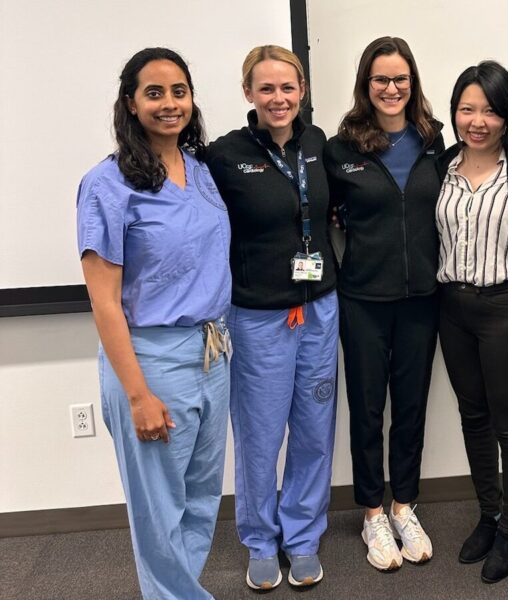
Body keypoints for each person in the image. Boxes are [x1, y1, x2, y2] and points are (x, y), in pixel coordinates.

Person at [77, 48, 231, 600]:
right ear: (130, 103)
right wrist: (137, 394)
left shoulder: (201, 171)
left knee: (199, 500)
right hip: (152, 363)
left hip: (212, 355)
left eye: (179, 91)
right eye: (155, 93)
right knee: (158, 512)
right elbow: (104, 303)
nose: (170, 104)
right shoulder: (107, 184)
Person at [205, 45, 338, 589]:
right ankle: (260, 539)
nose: (278, 98)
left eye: (288, 87)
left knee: (314, 429)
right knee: (260, 434)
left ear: (301, 89)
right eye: (266, 89)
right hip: (258, 317)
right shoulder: (223, 156)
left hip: (319, 311)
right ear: (248, 94)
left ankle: (302, 535)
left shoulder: (318, 144)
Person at [324, 36, 443, 572]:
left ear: (412, 82)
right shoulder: (340, 148)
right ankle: (373, 510)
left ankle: (404, 505)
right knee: (368, 408)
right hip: (363, 299)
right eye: (380, 80)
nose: (391, 89)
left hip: (423, 297)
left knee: (412, 406)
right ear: (365, 85)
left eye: (400, 79)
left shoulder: (437, 141)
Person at [435, 61, 508, 584]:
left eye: (490, 110)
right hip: (452, 309)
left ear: (507, 116)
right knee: (473, 416)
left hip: (506, 310)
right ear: (454, 112)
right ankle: (489, 515)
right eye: (467, 109)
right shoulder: (441, 167)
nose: (478, 120)